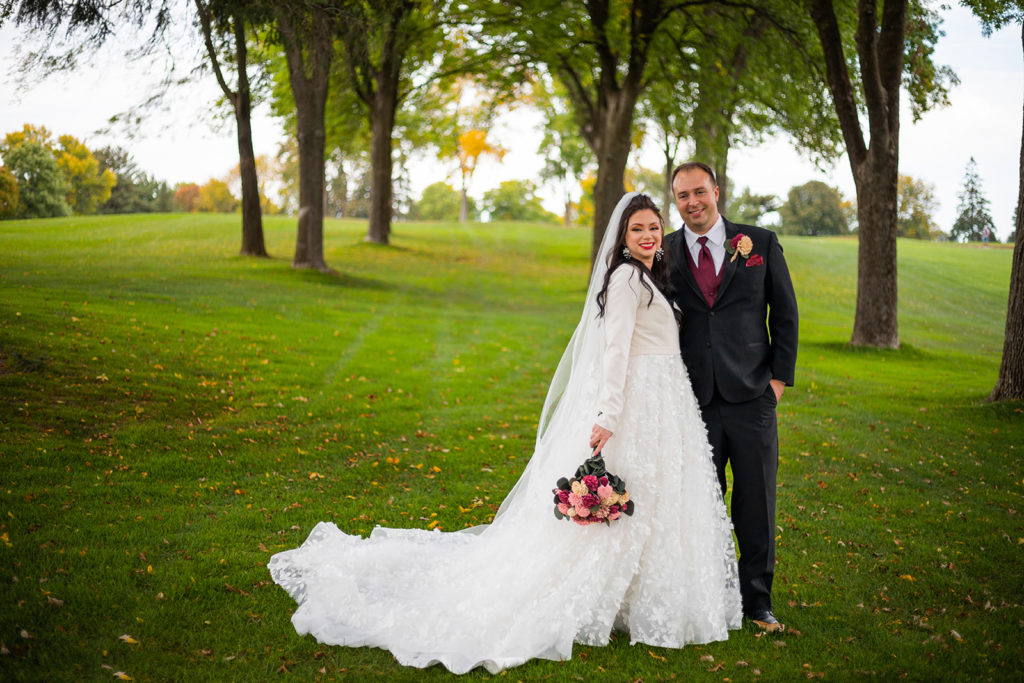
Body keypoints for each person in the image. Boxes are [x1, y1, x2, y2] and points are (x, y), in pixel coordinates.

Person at [268, 193, 741, 674]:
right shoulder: (624, 279)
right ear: (622, 237)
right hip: (638, 399)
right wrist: (609, 414)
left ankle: (638, 595)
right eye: (637, 229)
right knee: (631, 497)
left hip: (665, 400)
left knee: (656, 497)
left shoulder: (648, 277)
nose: (647, 236)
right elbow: (615, 351)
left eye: (654, 228)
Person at [663, 162, 799, 632]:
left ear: (716, 191)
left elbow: (784, 314)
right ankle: (715, 595)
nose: (692, 203)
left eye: (699, 192)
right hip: (694, 399)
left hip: (752, 395)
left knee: (755, 503)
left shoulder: (759, 243)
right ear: (675, 201)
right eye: (682, 196)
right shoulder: (665, 251)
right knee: (704, 503)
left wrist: (777, 383)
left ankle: (757, 602)